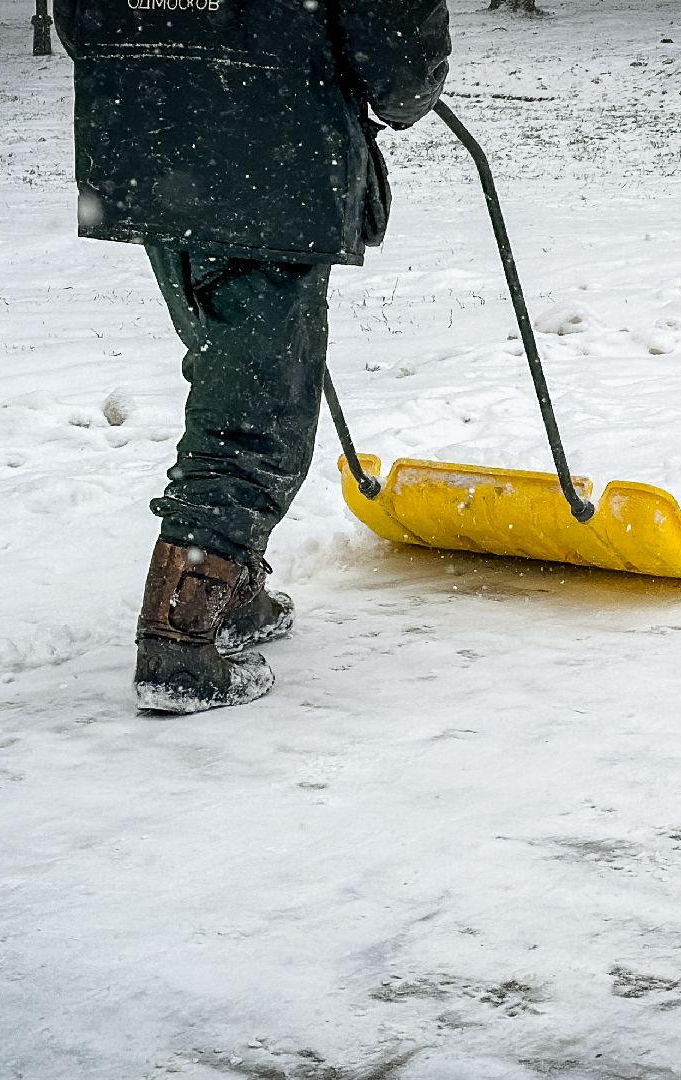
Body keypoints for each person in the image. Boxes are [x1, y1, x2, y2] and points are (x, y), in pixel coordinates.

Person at [53, 0, 450, 713]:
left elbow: (81, 19)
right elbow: (397, 42)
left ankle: (231, 592)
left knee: (229, 371)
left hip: (147, 139)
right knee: (256, 414)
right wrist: (403, 91)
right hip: (264, 150)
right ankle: (179, 641)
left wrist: (160, 72)